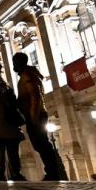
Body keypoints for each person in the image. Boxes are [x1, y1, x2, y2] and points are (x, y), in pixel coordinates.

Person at [13, 52, 66, 181]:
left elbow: (34, 96)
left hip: (35, 115)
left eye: (15, 62)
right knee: (41, 144)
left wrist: (33, 116)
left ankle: (52, 172)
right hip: (36, 114)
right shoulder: (30, 74)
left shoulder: (27, 76)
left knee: (41, 144)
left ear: (19, 63)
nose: (14, 65)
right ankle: (52, 171)